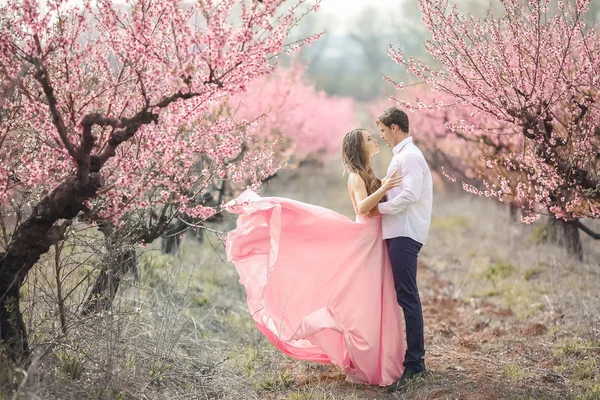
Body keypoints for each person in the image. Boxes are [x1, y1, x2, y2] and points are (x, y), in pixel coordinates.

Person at [225, 128, 406, 386]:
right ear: (359, 146)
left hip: (376, 241)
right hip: (365, 242)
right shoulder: (355, 177)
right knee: (362, 305)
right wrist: (386, 186)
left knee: (379, 301)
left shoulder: (368, 173)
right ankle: (368, 364)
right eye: (368, 138)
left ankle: (384, 361)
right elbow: (363, 208)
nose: (374, 140)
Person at [372, 106, 433, 392]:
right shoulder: (402, 155)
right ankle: (410, 359)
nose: (382, 136)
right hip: (398, 231)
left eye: (383, 131)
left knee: (408, 296)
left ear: (395, 127)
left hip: (406, 232)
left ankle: (416, 363)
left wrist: (380, 209)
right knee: (403, 295)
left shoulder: (410, 156)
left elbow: (411, 193)